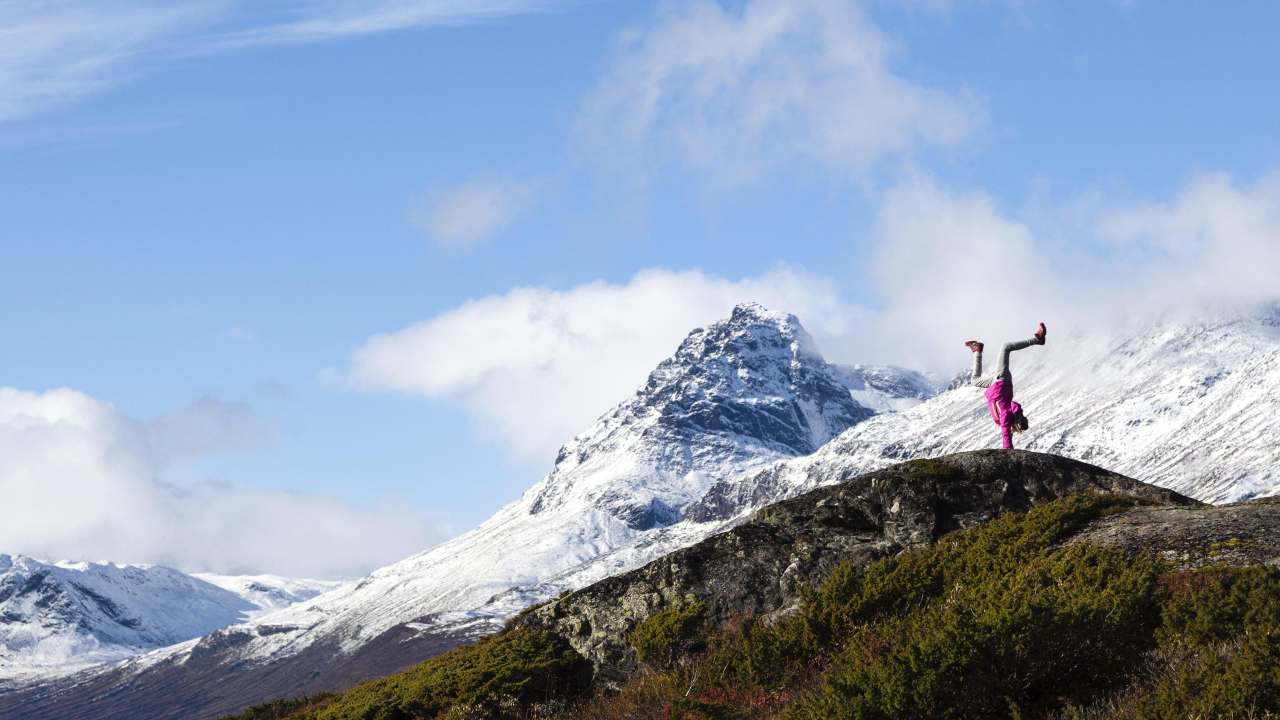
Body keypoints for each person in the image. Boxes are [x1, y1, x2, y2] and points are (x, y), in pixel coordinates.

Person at [965, 323, 1047, 450]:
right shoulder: (1008, 414)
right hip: (1001, 381)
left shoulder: (1004, 420)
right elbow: (1014, 408)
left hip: (994, 385)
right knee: (1005, 347)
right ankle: (1038, 340)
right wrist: (1020, 416)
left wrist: (1008, 447)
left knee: (975, 380)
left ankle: (977, 350)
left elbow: (1005, 434)